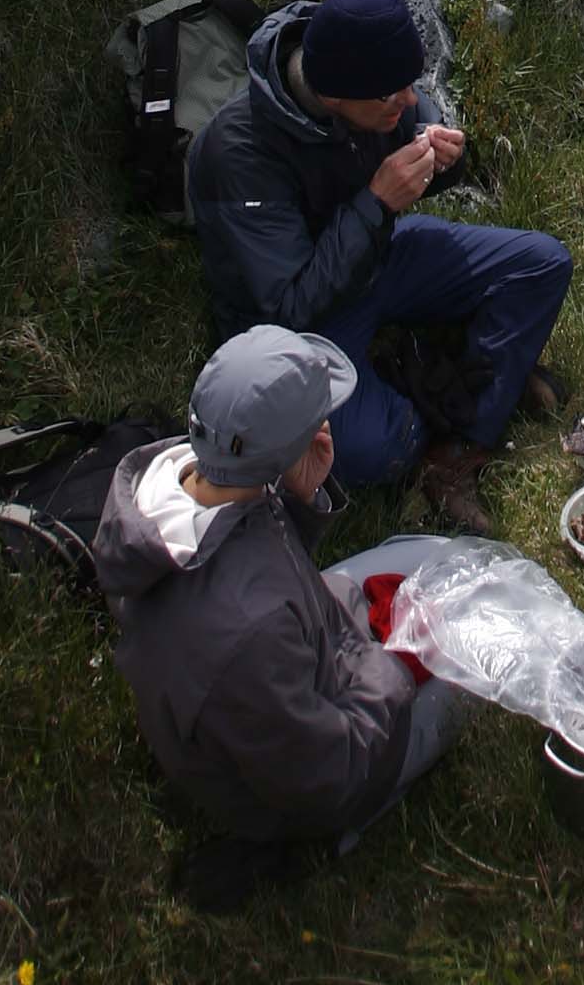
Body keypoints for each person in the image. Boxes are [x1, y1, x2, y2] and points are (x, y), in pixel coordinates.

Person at [94, 324, 470, 905]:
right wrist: (389, 665)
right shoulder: (249, 632)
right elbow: (331, 774)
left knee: (440, 559)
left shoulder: (184, 472)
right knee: (471, 663)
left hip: (271, 674)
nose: (327, 423)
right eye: (316, 420)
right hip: (292, 771)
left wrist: (302, 494)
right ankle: (321, 843)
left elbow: (263, 560)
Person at [188, 0, 572, 533]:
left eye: (410, 86)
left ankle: (457, 446)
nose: (411, 101)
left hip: (379, 257)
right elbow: (290, 305)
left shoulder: (373, 82)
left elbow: (417, 130)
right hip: (299, 324)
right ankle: (456, 378)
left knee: (542, 263)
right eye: (393, 96)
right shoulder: (238, 154)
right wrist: (376, 202)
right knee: (381, 448)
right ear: (336, 98)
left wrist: (446, 159)